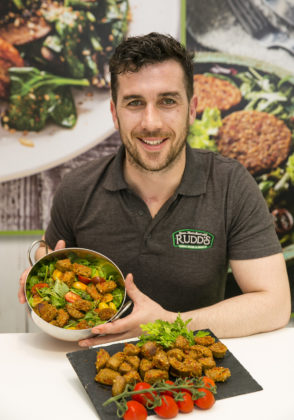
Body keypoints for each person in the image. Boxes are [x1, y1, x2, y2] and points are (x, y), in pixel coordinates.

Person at [18, 32, 291, 347]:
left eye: (168, 101)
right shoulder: (77, 188)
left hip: (194, 370)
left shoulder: (231, 184)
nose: (151, 122)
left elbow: (274, 305)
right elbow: (53, 278)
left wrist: (167, 324)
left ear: (192, 109)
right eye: (135, 103)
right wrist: (43, 282)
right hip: (93, 365)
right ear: (114, 113)